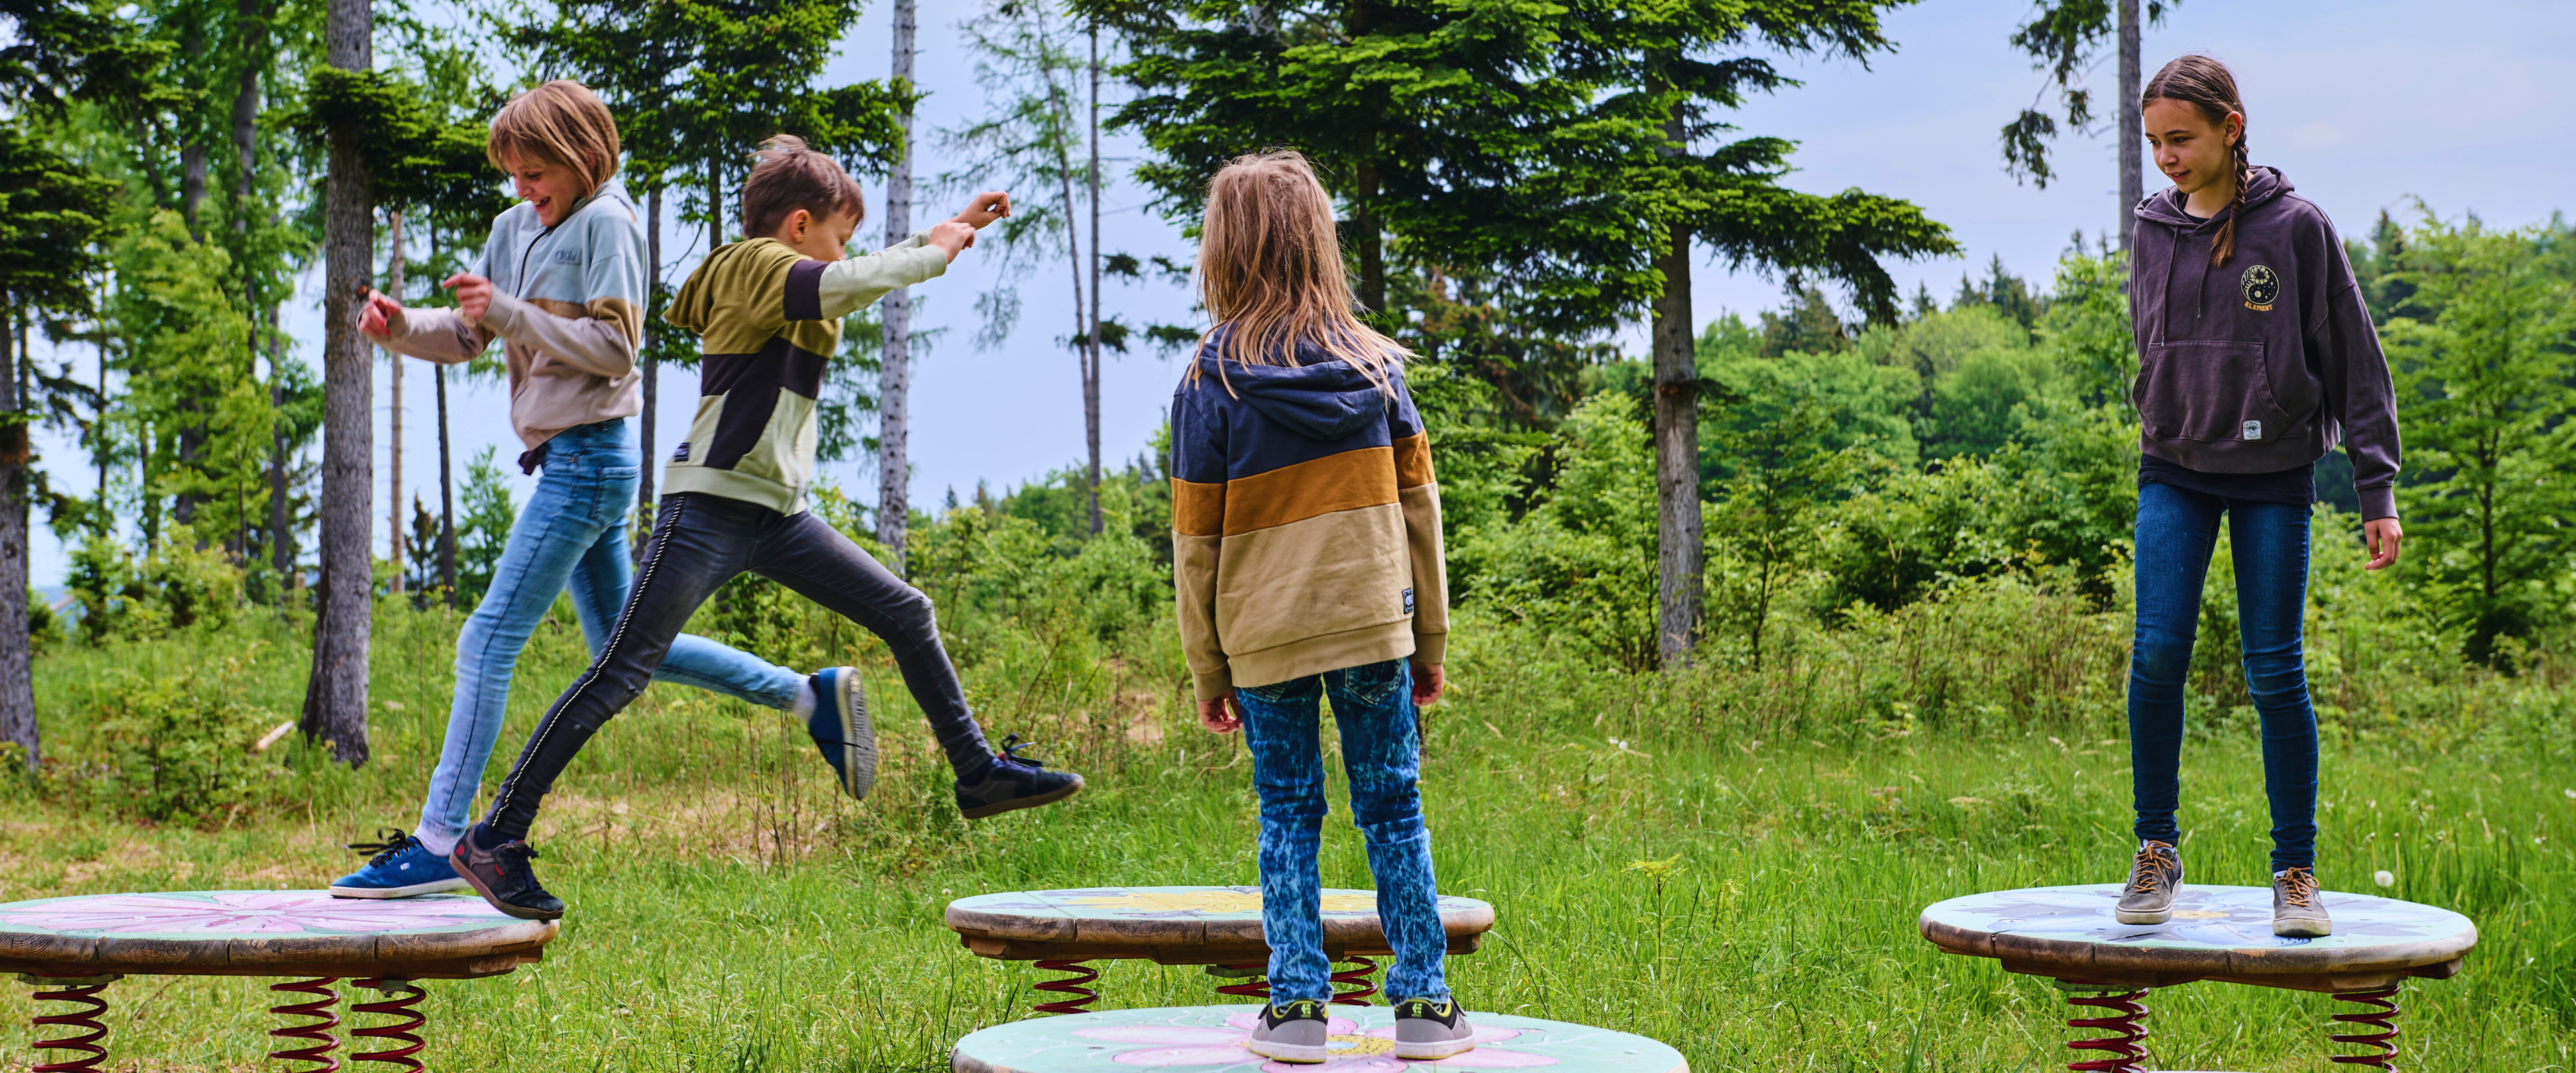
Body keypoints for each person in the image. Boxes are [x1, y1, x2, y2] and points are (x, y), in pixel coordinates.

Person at [447, 135, 1083, 921]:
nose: (843, 254)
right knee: (621, 670)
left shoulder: (788, 270)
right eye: (839, 237)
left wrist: (945, 229)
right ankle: (495, 837)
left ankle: (977, 771)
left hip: (778, 515)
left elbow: (848, 275)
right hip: (709, 505)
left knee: (907, 612)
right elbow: (848, 282)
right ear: (798, 225)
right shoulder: (754, 265)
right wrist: (940, 248)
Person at [337, 82, 876, 900]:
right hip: (564, 462)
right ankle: (807, 694)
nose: (523, 189)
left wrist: (513, 313)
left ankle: (441, 840)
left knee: (485, 641)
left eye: (536, 172)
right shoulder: (511, 228)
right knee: (619, 649)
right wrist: (401, 328)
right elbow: (472, 333)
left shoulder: (608, 224)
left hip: (593, 460)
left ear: (582, 154)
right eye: (514, 175)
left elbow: (618, 350)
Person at [1174, 150, 1471, 1063]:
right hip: (1373, 621)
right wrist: (1429, 639)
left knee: (1288, 813)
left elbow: (1197, 546)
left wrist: (1208, 666)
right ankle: (1424, 1002)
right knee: (1393, 807)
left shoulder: (1209, 383)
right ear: (1318, 245)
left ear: (1225, 251)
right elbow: (1422, 515)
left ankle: (1297, 1008)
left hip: (1263, 637)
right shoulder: (1379, 371)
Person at [2114, 54, 2402, 939]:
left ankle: (2295, 873)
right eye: (2155, 141)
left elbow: (2356, 355)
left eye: (2181, 139)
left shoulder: (2297, 227)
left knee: (2274, 670)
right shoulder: (2152, 227)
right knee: (2158, 653)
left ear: (2231, 129)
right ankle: (2156, 851)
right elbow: (2156, 343)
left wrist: (2375, 485)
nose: (2165, 156)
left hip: (2274, 473)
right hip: (2174, 466)